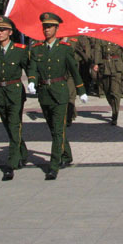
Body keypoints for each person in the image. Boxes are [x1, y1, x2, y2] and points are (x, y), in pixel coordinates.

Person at [27, 13, 88, 181]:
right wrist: (31, 81)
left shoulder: (64, 48)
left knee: (58, 130)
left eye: (50, 27)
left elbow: (74, 70)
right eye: (45, 27)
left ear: (56, 28)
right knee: (55, 129)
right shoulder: (37, 49)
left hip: (60, 92)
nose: (47, 29)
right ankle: (67, 155)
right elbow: (32, 68)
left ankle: (54, 165)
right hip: (44, 93)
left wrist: (81, 90)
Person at [0, 16, 29, 181]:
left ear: (10, 32)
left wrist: (33, 81)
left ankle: (12, 163)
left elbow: (29, 67)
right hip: (0, 93)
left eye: (2, 30)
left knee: (14, 124)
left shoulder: (19, 49)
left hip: (15, 92)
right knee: (10, 127)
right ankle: (22, 152)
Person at [93, 39, 123, 124]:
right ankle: (113, 106)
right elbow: (98, 50)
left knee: (114, 92)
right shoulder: (100, 38)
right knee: (107, 90)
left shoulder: (118, 36)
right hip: (105, 66)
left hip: (116, 66)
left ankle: (115, 114)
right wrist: (96, 63)